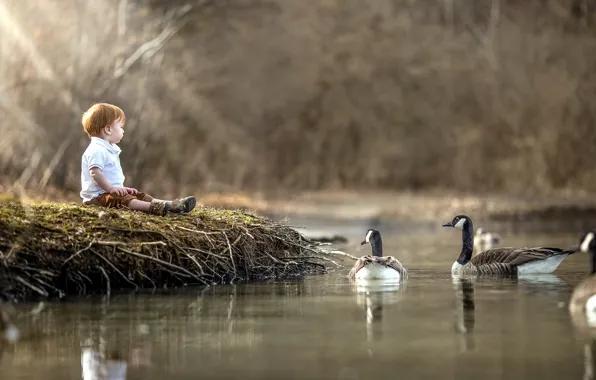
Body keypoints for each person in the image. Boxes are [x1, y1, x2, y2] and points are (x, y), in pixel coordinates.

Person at [80, 103, 195, 216]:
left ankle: (172, 205)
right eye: (120, 127)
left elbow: (109, 178)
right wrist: (111, 188)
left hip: (109, 193)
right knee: (126, 200)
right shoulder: (96, 149)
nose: (123, 130)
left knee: (140, 196)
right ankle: (153, 208)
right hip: (97, 198)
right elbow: (95, 173)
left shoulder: (107, 149)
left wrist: (121, 188)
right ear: (108, 129)